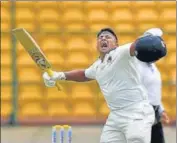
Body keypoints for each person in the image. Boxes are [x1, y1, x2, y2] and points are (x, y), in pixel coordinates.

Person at [42, 28, 167, 143]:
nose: (103, 38)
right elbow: (84, 75)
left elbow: (135, 46)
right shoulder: (97, 66)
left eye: (108, 37)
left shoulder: (121, 53)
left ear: (116, 44)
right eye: (100, 37)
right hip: (116, 116)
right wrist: (59, 75)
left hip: (137, 112)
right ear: (97, 44)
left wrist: (152, 39)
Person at [138, 29, 170, 143]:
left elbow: (153, 91)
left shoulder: (152, 65)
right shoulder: (137, 66)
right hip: (141, 114)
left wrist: (161, 110)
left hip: (154, 115)